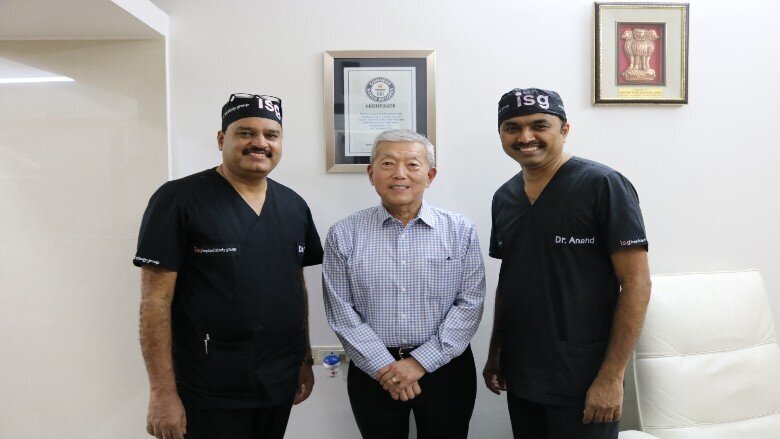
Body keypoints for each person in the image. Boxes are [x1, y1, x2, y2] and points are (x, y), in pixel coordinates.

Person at [134, 93, 323, 439]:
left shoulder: (294, 206)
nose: (260, 143)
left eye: (271, 135)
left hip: (278, 380)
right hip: (208, 386)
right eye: (245, 132)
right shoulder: (177, 199)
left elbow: (297, 287)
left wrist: (304, 359)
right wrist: (162, 392)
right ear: (222, 139)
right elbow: (154, 302)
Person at [483, 88, 652, 439]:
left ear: (564, 129)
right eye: (512, 127)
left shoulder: (603, 185)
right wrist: (496, 351)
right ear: (501, 134)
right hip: (523, 372)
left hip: (584, 377)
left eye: (539, 125)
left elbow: (637, 283)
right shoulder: (504, 197)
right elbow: (511, 279)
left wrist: (611, 376)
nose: (525, 137)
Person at [323, 129, 486, 439]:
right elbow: (341, 311)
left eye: (412, 164)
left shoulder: (460, 230)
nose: (400, 174)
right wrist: (386, 367)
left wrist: (419, 363)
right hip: (373, 369)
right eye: (387, 164)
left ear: (430, 174)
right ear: (371, 174)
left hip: (446, 367)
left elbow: (470, 304)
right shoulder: (344, 234)